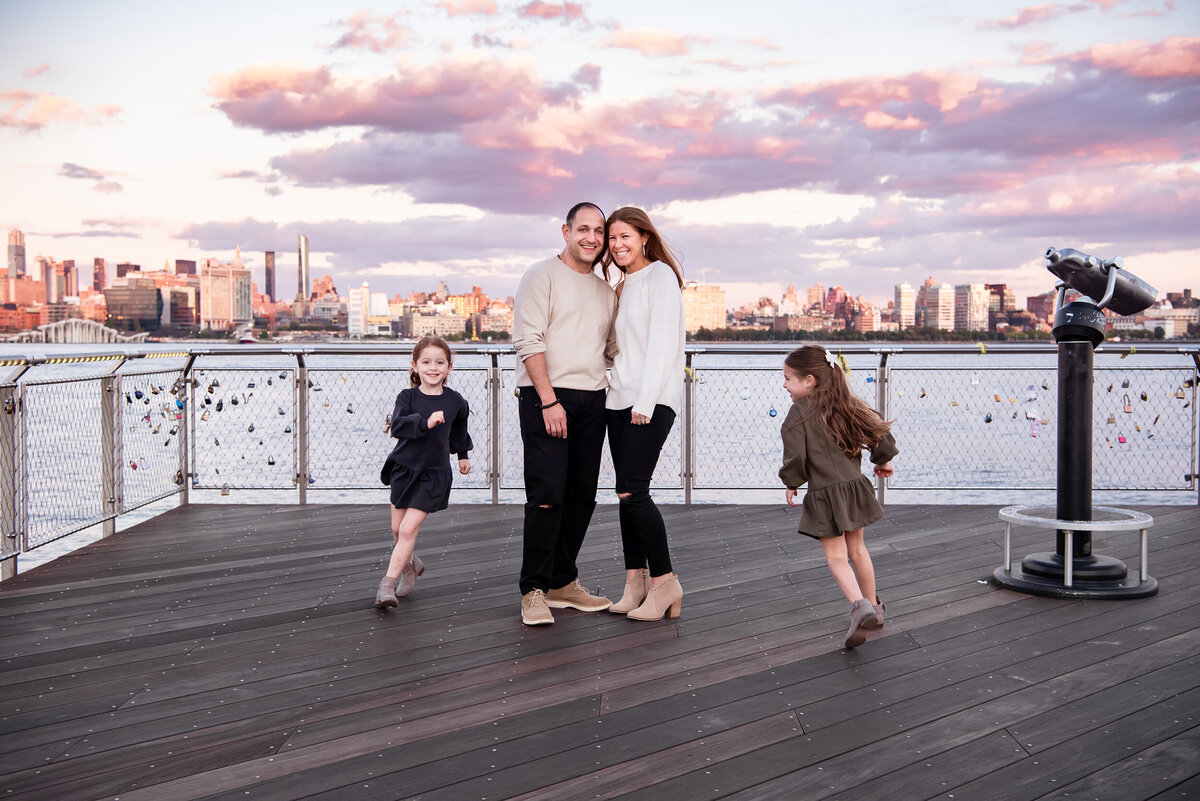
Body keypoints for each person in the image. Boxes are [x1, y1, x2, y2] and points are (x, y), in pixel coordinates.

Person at [512, 202, 619, 625]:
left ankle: (562, 582)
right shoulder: (540, 276)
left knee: (581, 496)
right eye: (583, 229)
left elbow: (611, 351)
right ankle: (534, 590)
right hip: (546, 398)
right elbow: (528, 340)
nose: (591, 238)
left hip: (593, 400)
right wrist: (549, 400)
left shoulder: (607, 293)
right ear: (565, 231)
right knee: (546, 496)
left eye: (599, 231)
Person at [778, 345, 898, 648]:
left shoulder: (797, 414)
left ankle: (859, 607)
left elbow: (796, 458)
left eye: (788, 379)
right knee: (858, 550)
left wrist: (791, 483)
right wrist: (882, 462)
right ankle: (875, 608)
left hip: (824, 495)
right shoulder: (848, 404)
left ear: (809, 380)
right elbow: (879, 434)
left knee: (835, 556)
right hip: (854, 487)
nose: (784, 385)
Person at [602, 206, 686, 621]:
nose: (617, 245)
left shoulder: (660, 277)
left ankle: (665, 582)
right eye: (612, 239)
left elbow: (663, 344)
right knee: (625, 495)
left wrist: (645, 402)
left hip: (647, 403)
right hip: (616, 401)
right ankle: (635, 581)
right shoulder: (623, 285)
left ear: (644, 238)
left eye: (625, 237)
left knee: (635, 491)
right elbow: (621, 349)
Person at [375, 335, 472, 608]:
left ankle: (386, 585)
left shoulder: (456, 401)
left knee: (407, 531)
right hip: (403, 470)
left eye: (440, 362)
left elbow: (459, 429)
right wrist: (425, 422)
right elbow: (397, 426)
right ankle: (410, 564)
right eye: (426, 361)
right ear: (415, 366)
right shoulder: (407, 397)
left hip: (434, 474)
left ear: (449, 367)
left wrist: (462, 455)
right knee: (397, 531)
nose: (433, 367)